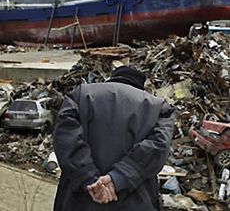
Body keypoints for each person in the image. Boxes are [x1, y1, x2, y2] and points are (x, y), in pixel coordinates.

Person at [53, 66, 175, 211]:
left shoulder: (80, 95)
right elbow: (157, 147)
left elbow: (66, 139)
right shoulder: (158, 107)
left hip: (78, 200)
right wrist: (117, 179)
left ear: (113, 78)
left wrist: (89, 179)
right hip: (135, 202)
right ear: (141, 86)